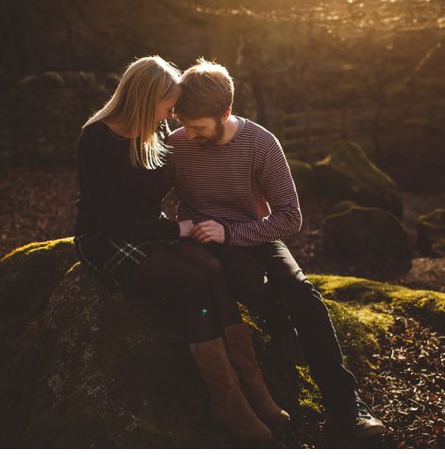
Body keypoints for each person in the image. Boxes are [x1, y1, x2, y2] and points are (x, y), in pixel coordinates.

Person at [166, 59, 388, 442]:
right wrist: (179, 229)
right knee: (250, 280)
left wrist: (230, 232)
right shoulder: (177, 143)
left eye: (199, 127)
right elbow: (146, 201)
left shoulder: (260, 143)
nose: (190, 134)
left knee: (302, 292)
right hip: (201, 243)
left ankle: (348, 408)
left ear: (226, 113)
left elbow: (290, 218)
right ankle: (281, 325)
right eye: (185, 124)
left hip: (257, 235)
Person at [72, 56, 288, 446]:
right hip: (105, 239)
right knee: (191, 278)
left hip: (151, 230)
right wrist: (176, 228)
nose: (172, 115)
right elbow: (109, 219)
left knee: (211, 267)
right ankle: (227, 402)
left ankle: (253, 387)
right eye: (168, 106)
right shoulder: (97, 139)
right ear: (144, 98)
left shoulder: (156, 133)